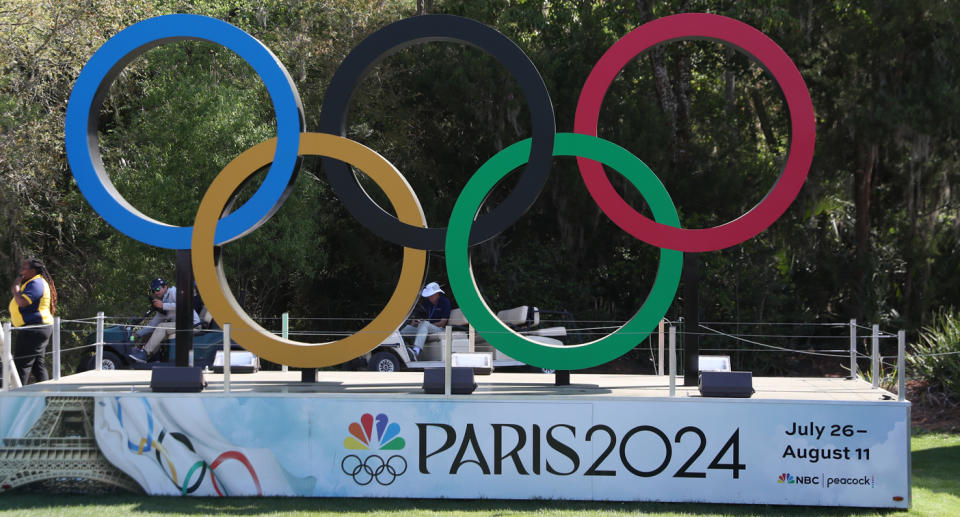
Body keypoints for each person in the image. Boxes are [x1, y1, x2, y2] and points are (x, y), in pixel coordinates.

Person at [8, 258, 57, 385]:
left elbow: (23, 302)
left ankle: (18, 398)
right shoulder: (33, 282)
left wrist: (15, 288)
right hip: (38, 328)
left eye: (24, 268)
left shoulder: (36, 283)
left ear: (33, 271)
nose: (21, 271)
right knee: (37, 365)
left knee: (21, 365)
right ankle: (46, 393)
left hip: (34, 329)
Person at [130, 278, 200, 362]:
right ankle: (147, 357)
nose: (156, 292)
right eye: (153, 291)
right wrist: (136, 334)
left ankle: (145, 353)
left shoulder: (174, 292)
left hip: (193, 325)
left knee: (162, 327)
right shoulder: (163, 303)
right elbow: (152, 325)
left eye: (158, 289)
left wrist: (164, 305)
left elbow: (185, 304)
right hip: (180, 326)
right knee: (155, 331)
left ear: (165, 287)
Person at [399, 282, 451, 360]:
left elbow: (443, 323)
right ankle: (406, 351)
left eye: (431, 296)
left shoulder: (445, 302)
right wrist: (416, 323)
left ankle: (416, 352)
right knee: (404, 330)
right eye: (429, 296)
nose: (430, 298)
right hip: (426, 328)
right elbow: (425, 319)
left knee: (425, 324)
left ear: (437, 294)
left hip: (440, 329)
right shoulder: (428, 303)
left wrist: (426, 324)